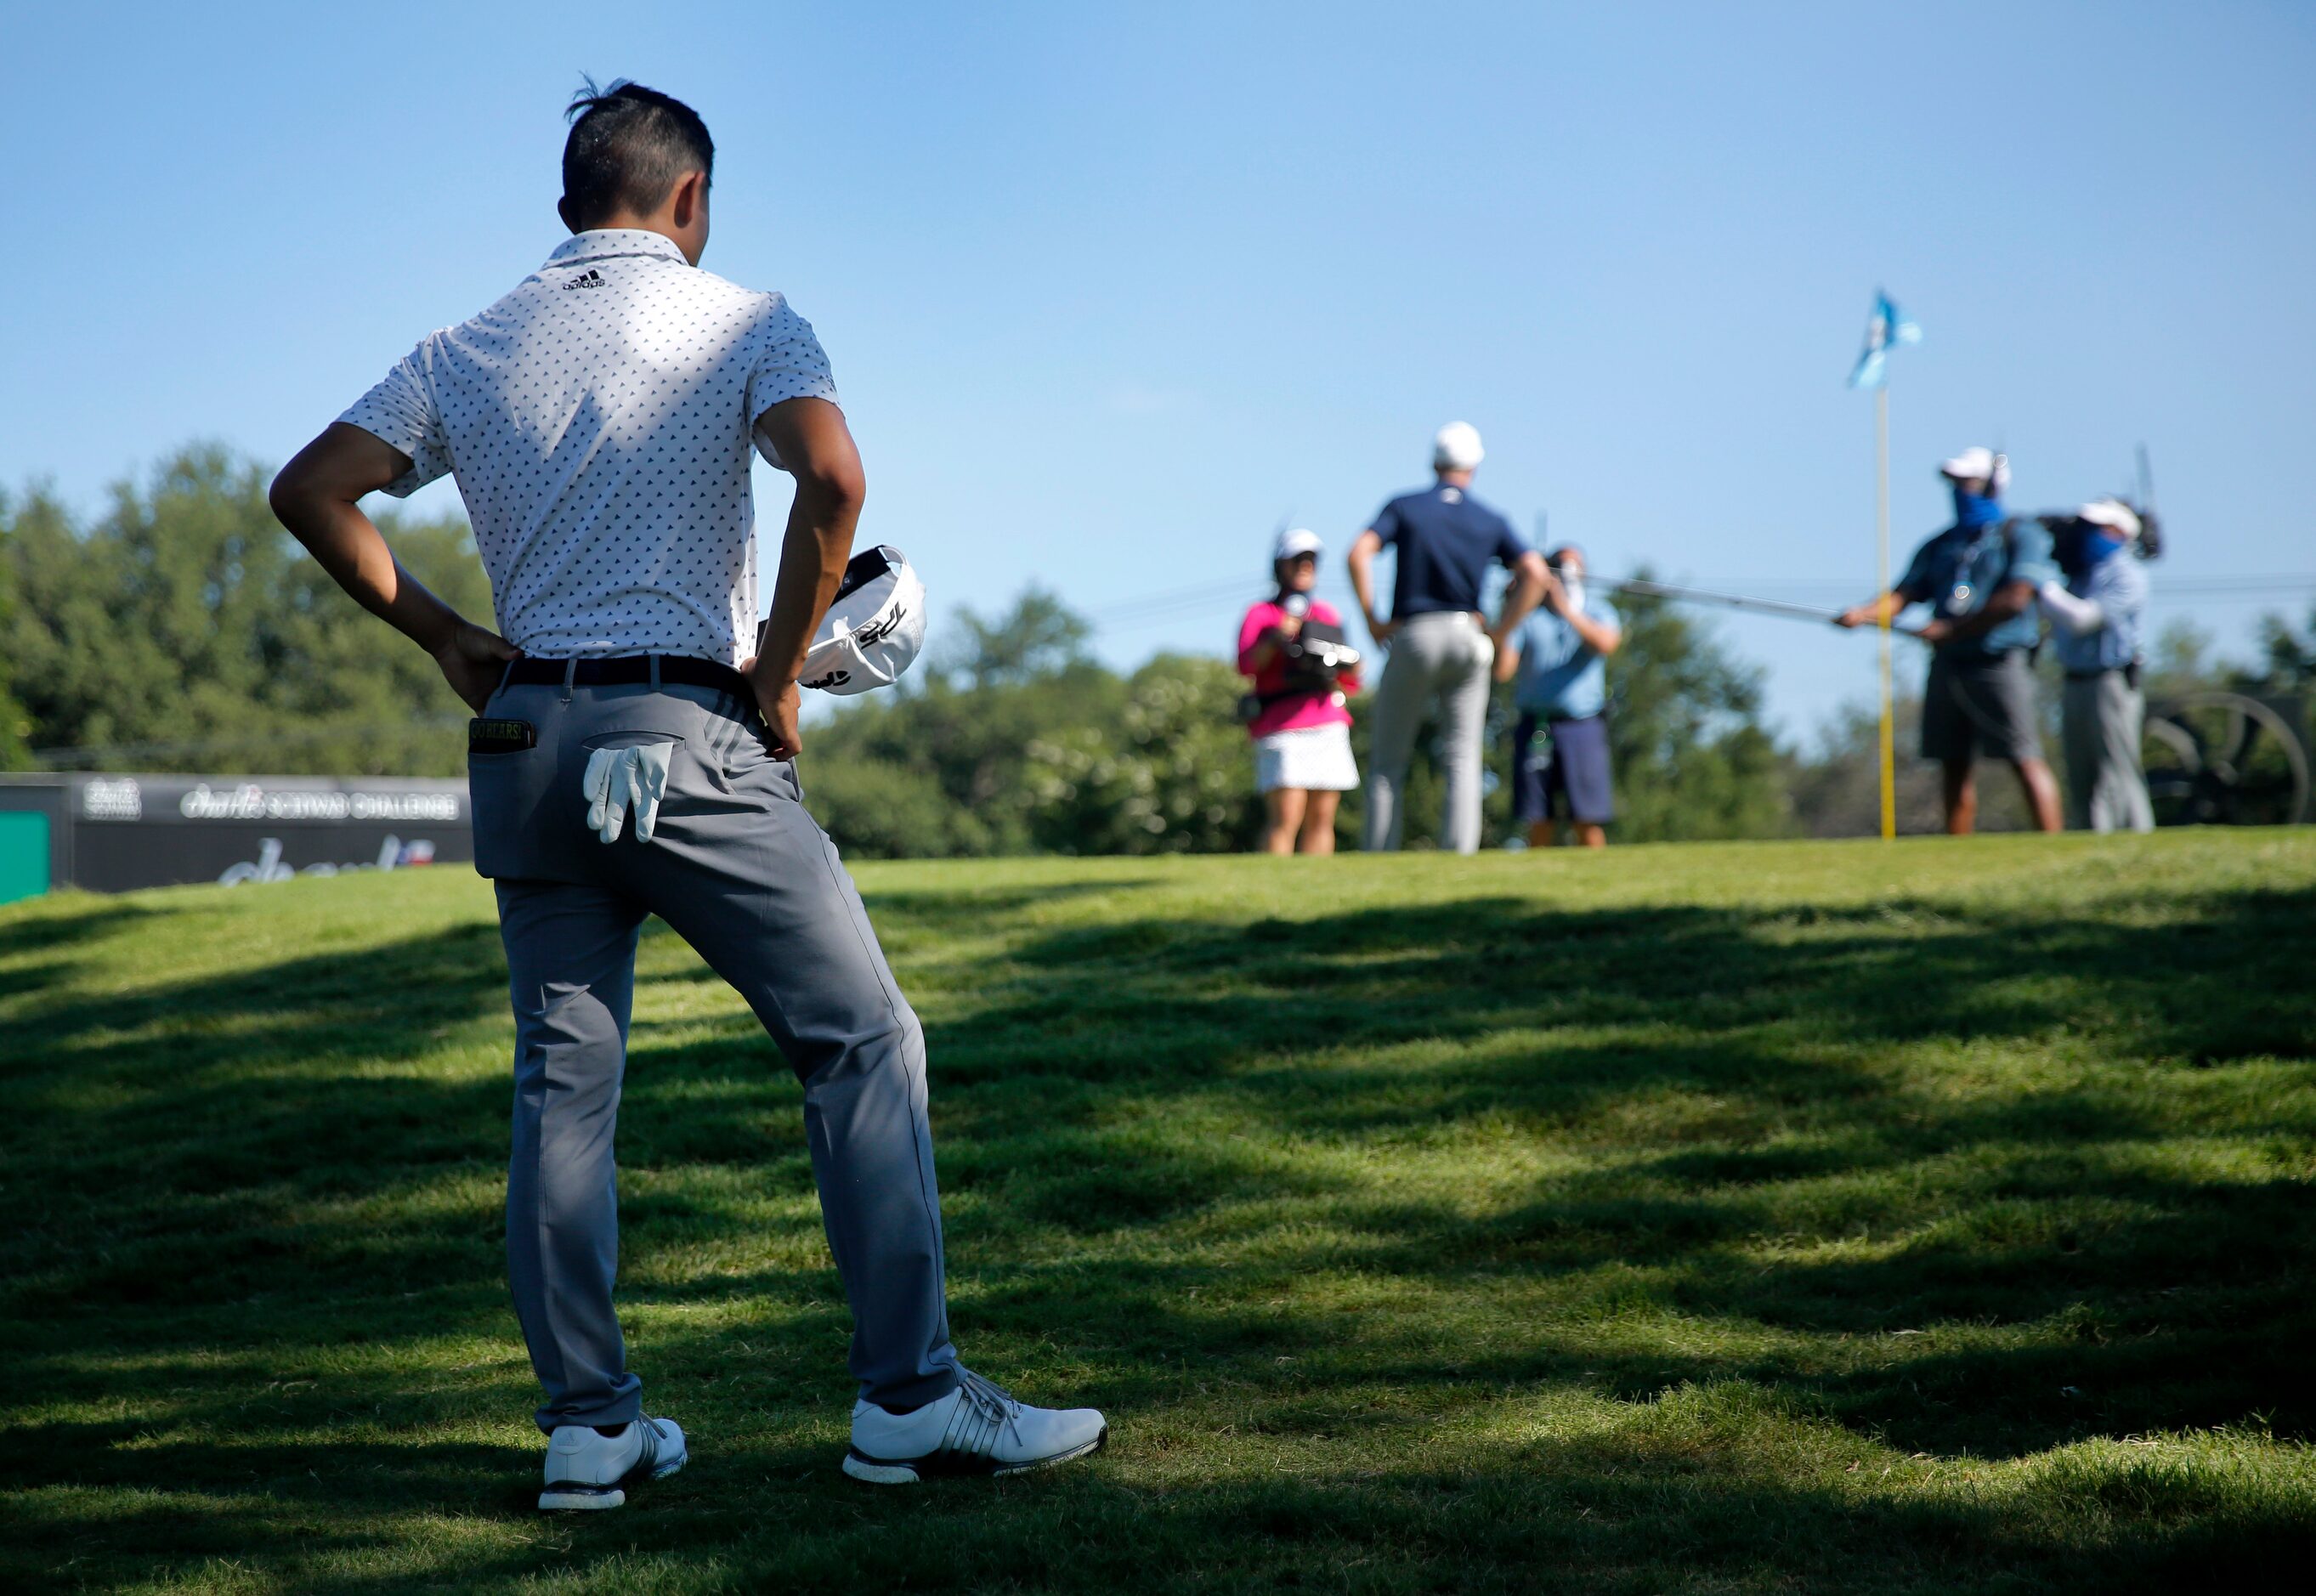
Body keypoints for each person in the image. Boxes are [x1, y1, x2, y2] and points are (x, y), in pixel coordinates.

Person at [267, 81, 1104, 1510]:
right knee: (859, 1040)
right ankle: (907, 1397)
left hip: (527, 745)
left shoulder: (462, 345)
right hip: (690, 731)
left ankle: (589, 1425)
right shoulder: (746, 318)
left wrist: (449, 635)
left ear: (567, 203)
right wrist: (780, 676)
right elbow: (831, 478)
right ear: (692, 202)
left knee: (563, 1093)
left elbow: (311, 490)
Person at [1836, 447, 2063, 835]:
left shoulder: (2022, 534)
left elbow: (2015, 599)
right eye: (1955, 483)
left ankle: (2053, 841)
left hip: (1998, 660)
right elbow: (1904, 595)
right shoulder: (1941, 544)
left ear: (1991, 485)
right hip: (1947, 662)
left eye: (1967, 482)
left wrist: (1952, 629)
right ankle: (1956, 850)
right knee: (1952, 762)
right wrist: (1865, 613)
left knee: (2023, 756)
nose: (1959, 491)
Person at [1347, 422, 1549, 853]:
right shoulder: (1489, 518)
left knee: (1388, 762)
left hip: (1414, 634)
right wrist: (1501, 633)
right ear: (1473, 466)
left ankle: (1378, 854)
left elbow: (1357, 553)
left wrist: (1372, 620)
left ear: (1434, 462)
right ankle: (1459, 855)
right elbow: (1536, 573)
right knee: (1463, 757)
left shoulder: (1405, 507)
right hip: (1468, 637)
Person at [1237, 529, 1362, 853]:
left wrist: (1349, 664)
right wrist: (1276, 637)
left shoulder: (1325, 614)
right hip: (1281, 725)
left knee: (1322, 817)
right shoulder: (1261, 615)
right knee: (1286, 816)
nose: (1305, 566)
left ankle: (1317, 895)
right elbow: (1247, 665)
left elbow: (1351, 679)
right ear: (1281, 565)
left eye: (1311, 560)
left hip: (1326, 720)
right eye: (1298, 560)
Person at [2039, 498, 2156, 833]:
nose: (2089, 534)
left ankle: (2130, 841)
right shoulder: (2082, 575)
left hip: (2111, 682)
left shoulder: (2129, 576)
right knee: (2081, 774)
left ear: (2121, 532)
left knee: (2116, 772)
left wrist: (2039, 585)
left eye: (2098, 528)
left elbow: (2082, 619)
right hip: (2075, 681)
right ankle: (2087, 841)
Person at [1493, 545, 1622, 848]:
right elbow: (1502, 671)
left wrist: (1566, 609)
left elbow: (1605, 643)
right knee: (1537, 817)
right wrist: (1510, 607)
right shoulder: (1528, 619)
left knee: (1587, 816)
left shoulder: (1598, 611)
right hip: (1535, 727)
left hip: (1582, 726)